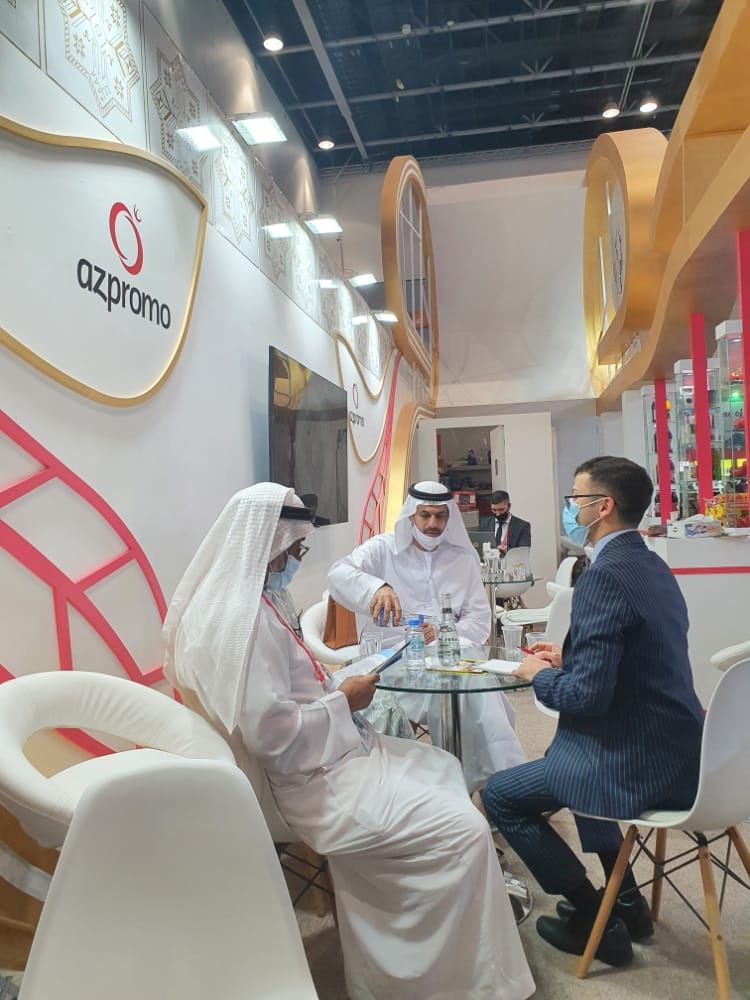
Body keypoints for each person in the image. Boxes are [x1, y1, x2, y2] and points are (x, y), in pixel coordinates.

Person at [163, 484, 534, 1000]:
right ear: (270, 545)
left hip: (336, 749)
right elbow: (274, 736)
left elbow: (288, 700)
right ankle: (447, 981)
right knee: (465, 828)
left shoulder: (256, 604)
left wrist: (339, 691)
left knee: (447, 765)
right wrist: (344, 699)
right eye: (296, 549)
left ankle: (438, 941)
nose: (300, 559)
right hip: (317, 781)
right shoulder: (243, 624)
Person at [482, 456, 704, 967]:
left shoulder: (602, 577)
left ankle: (592, 917)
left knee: (502, 796)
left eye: (574, 499)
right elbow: (642, 654)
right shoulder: (651, 564)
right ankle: (625, 901)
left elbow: (586, 698)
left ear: (602, 506)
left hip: (636, 761)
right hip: (682, 751)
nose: (570, 508)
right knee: (572, 756)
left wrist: (537, 675)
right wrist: (571, 657)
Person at [328, 481, 526, 792]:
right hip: (394, 662)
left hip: (451, 657)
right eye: (425, 515)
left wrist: (443, 633)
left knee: (475, 691)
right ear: (411, 515)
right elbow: (338, 574)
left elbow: (479, 620)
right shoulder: (383, 549)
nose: (433, 524)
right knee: (470, 696)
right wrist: (377, 588)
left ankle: (496, 785)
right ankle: (486, 782)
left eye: (440, 516)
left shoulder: (463, 558)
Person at [480, 490, 531, 556]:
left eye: (501, 510)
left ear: (509, 506)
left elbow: (523, 552)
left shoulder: (522, 526)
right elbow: (480, 547)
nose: (497, 514)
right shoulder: (485, 524)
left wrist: (507, 552)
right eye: (494, 510)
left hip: (511, 561)